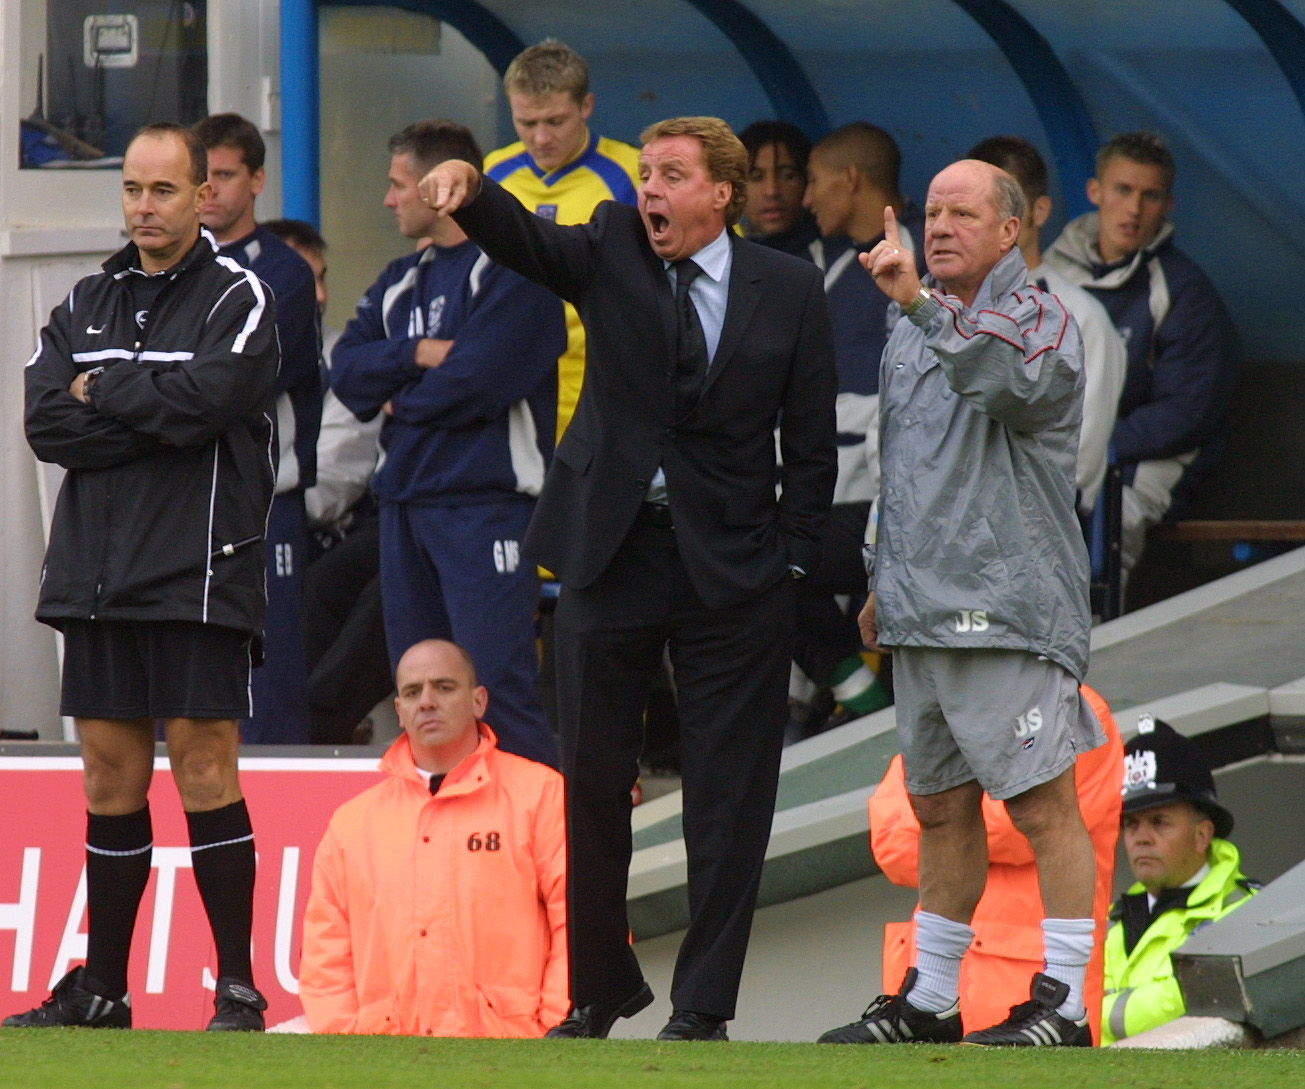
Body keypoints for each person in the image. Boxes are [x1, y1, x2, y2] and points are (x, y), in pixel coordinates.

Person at [419, 115, 837, 1040]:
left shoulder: (791, 288)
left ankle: (702, 1005)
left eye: (671, 175)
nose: (648, 189)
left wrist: (793, 559)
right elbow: (528, 237)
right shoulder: (610, 243)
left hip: (734, 566)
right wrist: (471, 185)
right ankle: (601, 988)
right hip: (611, 548)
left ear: (721, 194)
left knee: (731, 793)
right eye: (644, 172)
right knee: (594, 779)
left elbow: (810, 446)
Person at [821, 160, 1102, 1048]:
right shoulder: (911, 322)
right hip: (919, 608)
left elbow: (1011, 388)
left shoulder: (1042, 317)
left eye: (962, 213)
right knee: (939, 809)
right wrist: (879, 576)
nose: (939, 227)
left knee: (1040, 805)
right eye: (931, 211)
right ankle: (931, 998)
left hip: (1005, 608)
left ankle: (1067, 1003)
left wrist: (920, 306)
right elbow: (898, 464)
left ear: (1010, 228)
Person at [11, 122, 279, 1030]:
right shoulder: (83, 299)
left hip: (198, 572)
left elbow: (209, 403)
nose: (143, 207)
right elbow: (48, 424)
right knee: (107, 778)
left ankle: (237, 987)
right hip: (94, 574)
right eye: (131, 189)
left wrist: (107, 389)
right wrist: (147, 407)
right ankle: (104, 990)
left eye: (162, 190)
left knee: (206, 768)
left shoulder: (241, 295)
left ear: (203, 194)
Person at [330, 120, 566, 769]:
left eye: (397, 184)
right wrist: (414, 353)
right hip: (403, 504)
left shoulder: (516, 269)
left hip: (483, 507)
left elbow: (476, 384)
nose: (388, 200)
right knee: (422, 696)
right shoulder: (401, 278)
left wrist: (397, 396)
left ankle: (542, 852)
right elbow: (344, 370)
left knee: (495, 689)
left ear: (438, 188)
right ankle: (437, 835)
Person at [299, 640, 567, 1035]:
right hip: (384, 1062)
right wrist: (348, 1047)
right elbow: (327, 952)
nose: (426, 701)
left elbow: (581, 928)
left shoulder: (541, 793)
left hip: (515, 1053)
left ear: (479, 701)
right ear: (399, 712)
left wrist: (556, 1032)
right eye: (412, 691)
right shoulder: (352, 823)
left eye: (444, 687)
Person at [870, 685, 1123, 1043]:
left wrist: (945, 825)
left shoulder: (1077, 706)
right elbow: (890, 844)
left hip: (1029, 986)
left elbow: (1026, 827)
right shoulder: (945, 704)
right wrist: (953, 821)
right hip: (933, 987)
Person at [1044, 132, 1239, 569]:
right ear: (1095, 192)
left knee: (1094, 535)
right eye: (1123, 190)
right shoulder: (1051, 274)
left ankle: (1099, 635)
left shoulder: (1184, 289)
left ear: (1167, 205)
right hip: (1063, 452)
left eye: (1150, 196)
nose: (1133, 210)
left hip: (1150, 460)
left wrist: (1087, 445)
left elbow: (1185, 415)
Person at [788, 122, 925, 734]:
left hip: (905, 509)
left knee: (761, 556)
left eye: (815, 181)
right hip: (836, 500)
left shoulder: (922, 267)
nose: (805, 197)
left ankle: (875, 708)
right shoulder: (826, 269)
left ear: (851, 178)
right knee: (749, 555)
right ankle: (860, 696)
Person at [194, 113, 324, 744]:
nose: (210, 189)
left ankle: (279, 823)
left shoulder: (287, 274)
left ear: (257, 180)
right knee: (180, 663)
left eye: (224, 175)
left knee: (268, 670)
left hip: (264, 500)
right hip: (180, 497)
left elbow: (242, 381)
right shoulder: (159, 267)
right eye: (201, 176)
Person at [262, 218, 391, 745]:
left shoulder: (341, 357)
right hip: (236, 536)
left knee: (368, 587)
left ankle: (305, 729)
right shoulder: (219, 356)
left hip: (310, 530)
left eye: (323, 278)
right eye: (302, 279)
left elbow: (333, 481)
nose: (318, 295)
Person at [484, 39, 641, 440]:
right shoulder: (491, 174)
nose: (540, 138)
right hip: (510, 388)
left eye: (555, 121)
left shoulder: (633, 175)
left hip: (604, 386)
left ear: (586, 107)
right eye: (526, 123)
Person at [967, 136, 1126, 514]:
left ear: (1040, 210)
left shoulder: (1080, 316)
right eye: (977, 206)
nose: (994, 218)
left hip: (1035, 530)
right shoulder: (939, 305)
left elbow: (1081, 456)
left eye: (1008, 202)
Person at [1102, 715, 1259, 1045]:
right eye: (1130, 824)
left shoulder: (1245, 913)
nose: (1140, 838)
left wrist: (1095, 1014)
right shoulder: (1109, 921)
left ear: (1202, 835)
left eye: (1159, 822)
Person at [738, 120, 819, 259]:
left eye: (787, 176)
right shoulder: (722, 268)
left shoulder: (840, 260)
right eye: (756, 177)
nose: (772, 191)